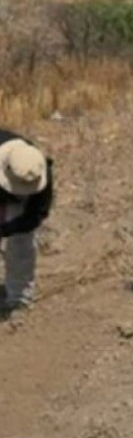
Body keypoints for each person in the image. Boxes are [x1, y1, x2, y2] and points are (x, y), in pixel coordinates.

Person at [0, 128, 54, 315]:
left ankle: (19, 297)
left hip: (17, 205)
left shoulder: (37, 167)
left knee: (22, 242)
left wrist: (10, 228)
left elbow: (37, 214)